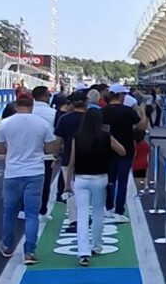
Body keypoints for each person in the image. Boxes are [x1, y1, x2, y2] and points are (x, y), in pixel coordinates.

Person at [0, 95, 61, 265]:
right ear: (32, 105)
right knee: (32, 214)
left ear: (16, 105)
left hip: (13, 172)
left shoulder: (6, 123)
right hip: (35, 172)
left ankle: (7, 245)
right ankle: (29, 252)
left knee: (10, 212)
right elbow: (51, 147)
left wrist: (11, 151)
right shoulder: (41, 123)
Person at [63, 108, 125, 267]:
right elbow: (123, 152)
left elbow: (71, 163)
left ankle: (83, 252)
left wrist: (66, 185)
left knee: (82, 214)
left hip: (81, 179)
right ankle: (97, 245)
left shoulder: (77, 136)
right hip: (100, 178)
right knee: (98, 212)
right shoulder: (105, 136)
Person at [101, 85, 147, 223]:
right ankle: (119, 210)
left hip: (107, 149)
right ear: (120, 96)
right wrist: (143, 112)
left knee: (109, 180)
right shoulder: (128, 111)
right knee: (122, 181)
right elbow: (142, 126)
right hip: (126, 150)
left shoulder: (103, 111)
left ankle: (108, 207)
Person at [54, 92, 89, 231]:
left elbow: (58, 140)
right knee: (87, 189)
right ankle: (85, 215)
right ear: (86, 101)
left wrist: (55, 155)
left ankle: (73, 219)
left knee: (70, 189)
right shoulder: (91, 118)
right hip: (89, 157)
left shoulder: (64, 119)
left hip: (68, 157)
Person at [25, 86, 57, 219]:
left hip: (26, 152)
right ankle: (42, 209)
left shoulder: (27, 112)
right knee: (45, 182)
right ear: (45, 96)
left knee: (27, 182)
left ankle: (25, 207)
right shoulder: (54, 113)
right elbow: (56, 134)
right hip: (46, 154)